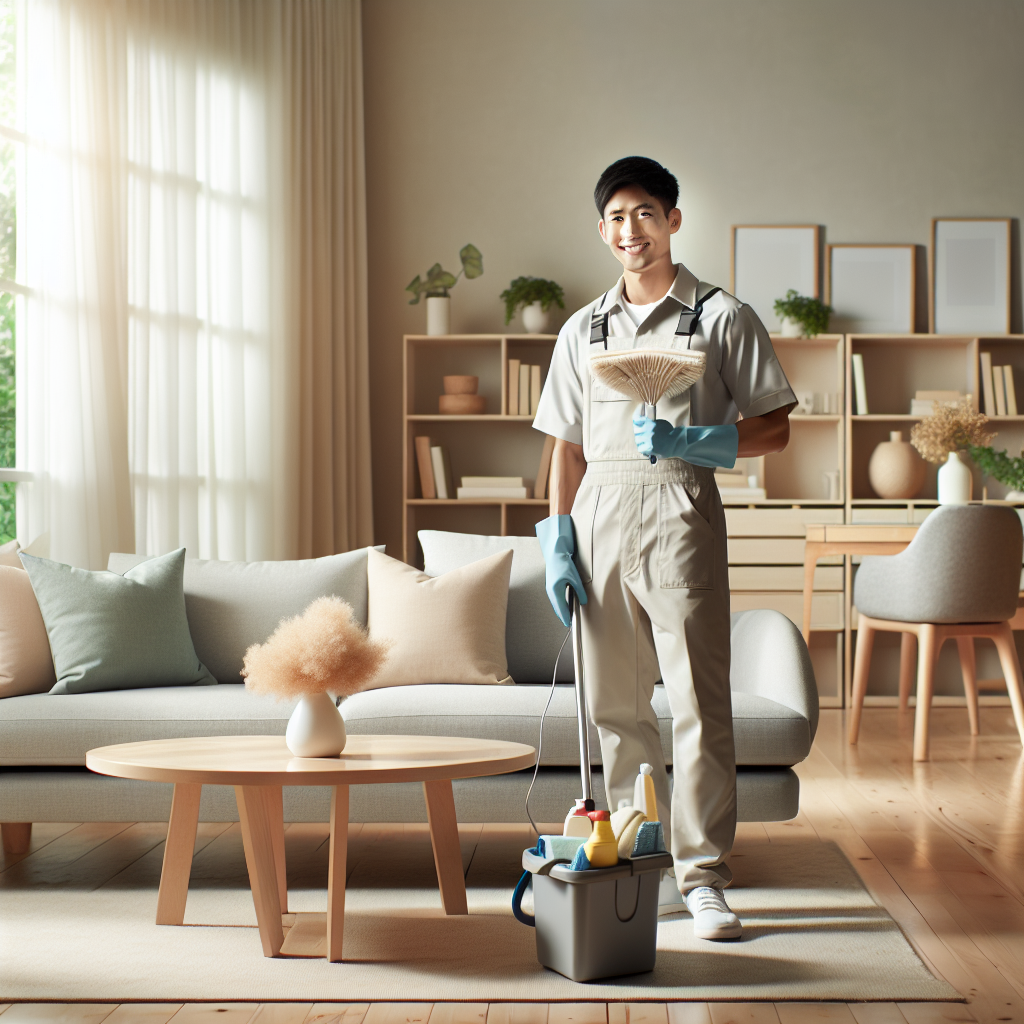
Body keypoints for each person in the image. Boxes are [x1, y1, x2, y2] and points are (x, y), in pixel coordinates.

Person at [532, 156, 796, 941]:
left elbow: (777, 427)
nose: (630, 230)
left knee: (697, 705)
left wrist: (697, 438)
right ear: (602, 229)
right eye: (615, 217)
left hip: (682, 506)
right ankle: (640, 859)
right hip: (599, 513)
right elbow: (564, 450)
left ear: (674, 219)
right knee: (615, 707)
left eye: (644, 213)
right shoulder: (584, 328)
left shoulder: (721, 316)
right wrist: (558, 543)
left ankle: (704, 876)